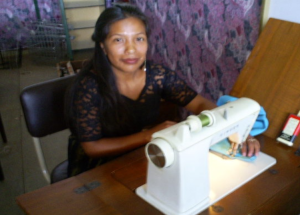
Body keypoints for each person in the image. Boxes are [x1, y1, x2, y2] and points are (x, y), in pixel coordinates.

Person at [66, 3, 260, 177]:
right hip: (98, 166)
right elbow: (92, 147)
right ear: (102, 46)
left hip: (141, 151)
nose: (131, 49)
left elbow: (199, 103)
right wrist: (148, 135)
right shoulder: (88, 88)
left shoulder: (157, 75)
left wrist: (237, 130)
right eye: (118, 40)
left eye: (139, 39)